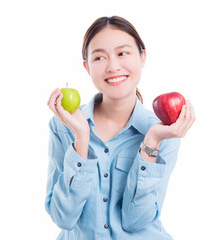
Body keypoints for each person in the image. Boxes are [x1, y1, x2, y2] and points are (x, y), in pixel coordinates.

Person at [45, 16, 195, 240]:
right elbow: (63, 217)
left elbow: (136, 221)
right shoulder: (64, 125)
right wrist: (81, 139)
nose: (113, 66)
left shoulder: (164, 131)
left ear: (142, 57)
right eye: (99, 57)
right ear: (87, 67)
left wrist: (151, 143)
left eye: (122, 53)